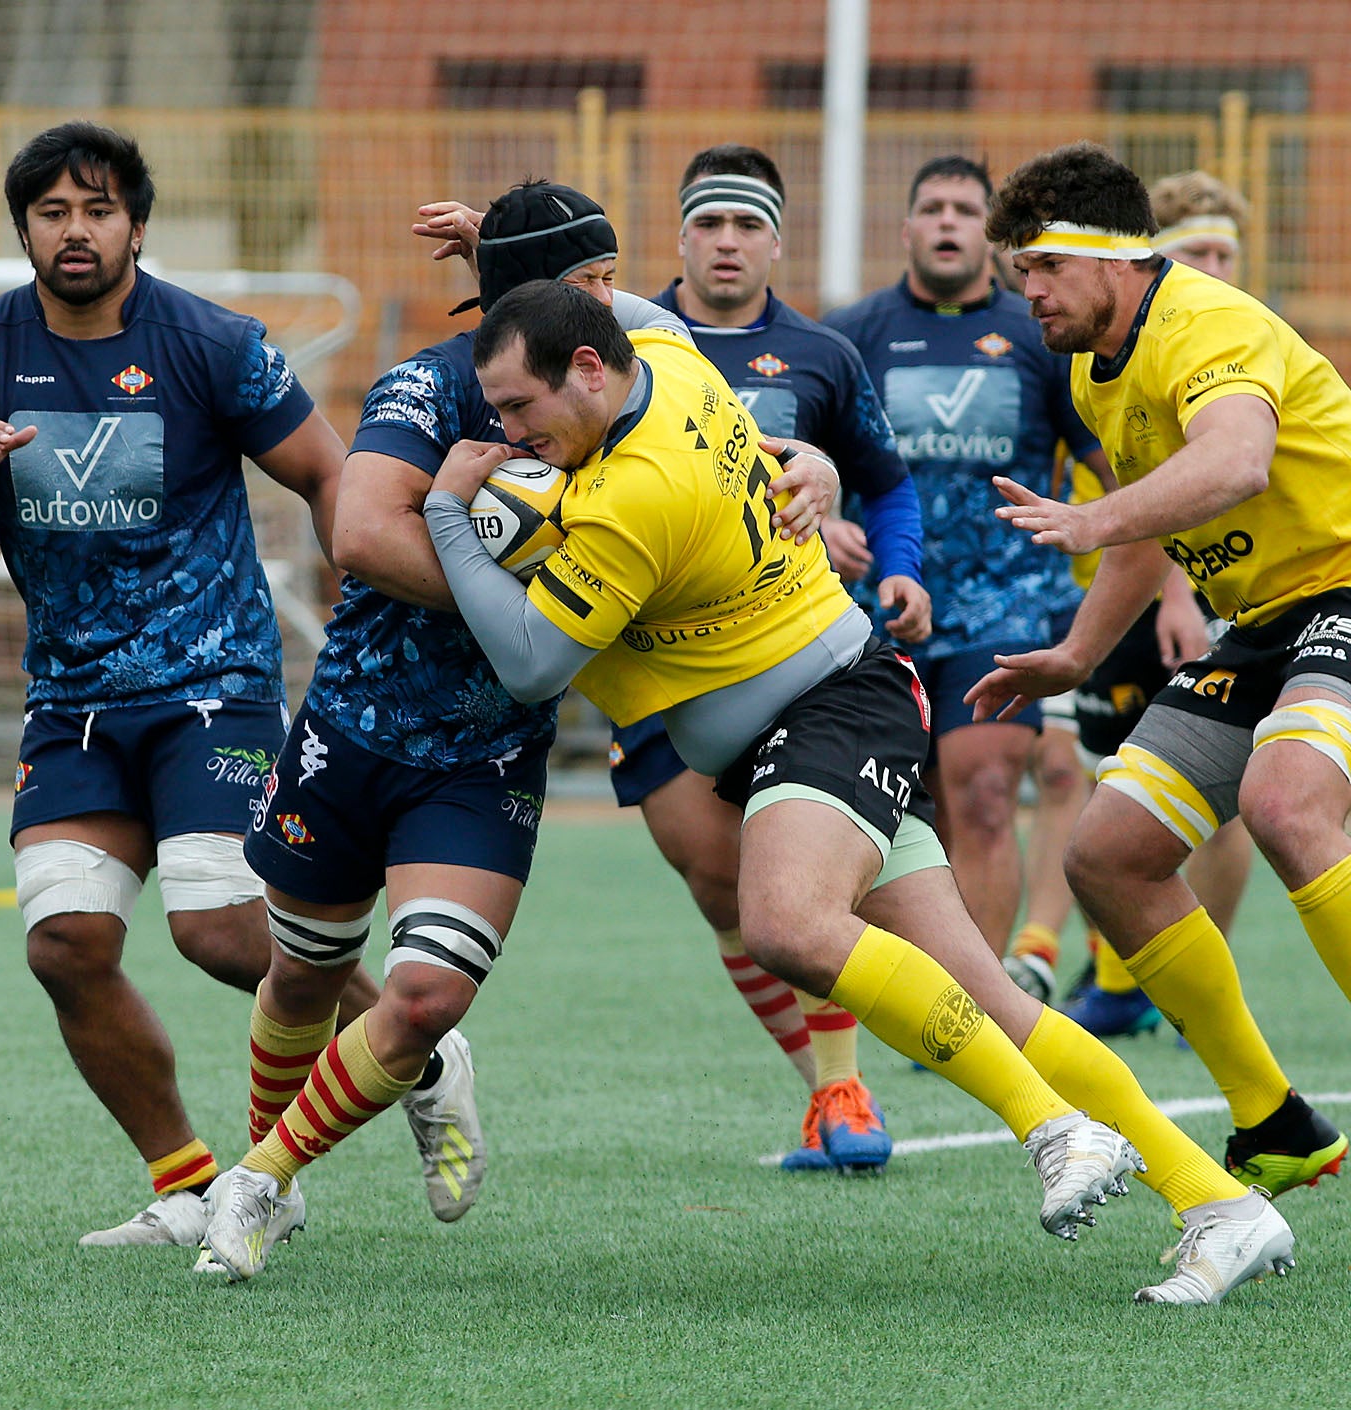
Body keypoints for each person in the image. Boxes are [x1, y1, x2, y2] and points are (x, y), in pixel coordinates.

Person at [408, 279, 1291, 1305]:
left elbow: (528, 667)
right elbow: (639, 308)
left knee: (783, 923)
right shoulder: (678, 359)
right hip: (820, 714)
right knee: (993, 1003)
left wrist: (446, 515)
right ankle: (1221, 1205)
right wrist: (528, 270)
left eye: (519, 407)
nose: (507, 431)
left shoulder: (625, 494)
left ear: (590, 371)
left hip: (830, 711)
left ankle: (1054, 1128)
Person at [199, 178, 837, 1278]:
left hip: (486, 752)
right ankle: (311, 1160)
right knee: (301, 974)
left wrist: (810, 467)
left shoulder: (620, 375)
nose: (614, 299)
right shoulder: (429, 382)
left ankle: (258, 1179)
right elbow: (356, 530)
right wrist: (537, 605)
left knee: (425, 989)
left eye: (607, 278)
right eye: (589, 279)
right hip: (355, 723)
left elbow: (714, 443)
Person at [0, 120, 424, 1249]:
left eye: (99, 209)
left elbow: (328, 474)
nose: (76, 231)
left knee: (218, 933)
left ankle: (415, 1035)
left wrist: (365, 611)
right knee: (65, 946)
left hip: (209, 683)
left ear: (135, 223)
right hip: (69, 698)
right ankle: (185, 1184)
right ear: (22, 226)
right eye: (52, 212)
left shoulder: (211, 342)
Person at [971, 140, 1351, 1210]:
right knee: (1106, 854)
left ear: (1112, 256)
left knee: (1284, 804)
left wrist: (1090, 515)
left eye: (1041, 267)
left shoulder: (1205, 324)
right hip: (1263, 619)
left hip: (1345, 585)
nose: (1027, 292)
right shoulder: (1096, 370)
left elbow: (1232, 462)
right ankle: (1272, 1123)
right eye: (1019, 274)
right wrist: (1076, 654)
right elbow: (1162, 515)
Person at [630, 144, 929, 1173]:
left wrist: (898, 569)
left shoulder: (818, 355)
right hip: (650, 662)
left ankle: (837, 1089)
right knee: (717, 887)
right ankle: (831, 1083)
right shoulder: (624, 344)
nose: (725, 243)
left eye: (745, 225)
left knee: (787, 892)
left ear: (774, 238)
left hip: (786, 663)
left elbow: (885, 483)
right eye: (708, 223)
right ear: (678, 235)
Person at [825, 158, 1109, 977]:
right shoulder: (852, 335)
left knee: (985, 798)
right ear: (908, 229)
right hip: (879, 609)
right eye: (932, 208)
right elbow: (799, 461)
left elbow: (1113, 475)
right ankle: (928, 983)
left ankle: (984, 1002)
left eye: (964, 209)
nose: (948, 221)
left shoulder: (1039, 336)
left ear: (988, 233)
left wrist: (1155, 575)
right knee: (918, 810)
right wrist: (825, 528)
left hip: (1006, 611)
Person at [1053, 169, 1257, 1035]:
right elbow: (1148, 485)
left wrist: (1180, 593)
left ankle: (1196, 982)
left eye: (1226, 251)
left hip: (1246, 602)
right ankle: (1126, 975)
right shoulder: (1114, 359)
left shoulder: (1241, 341)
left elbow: (1221, 476)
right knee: (1113, 788)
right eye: (1197, 251)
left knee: (1247, 797)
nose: (1214, 264)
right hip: (1133, 588)